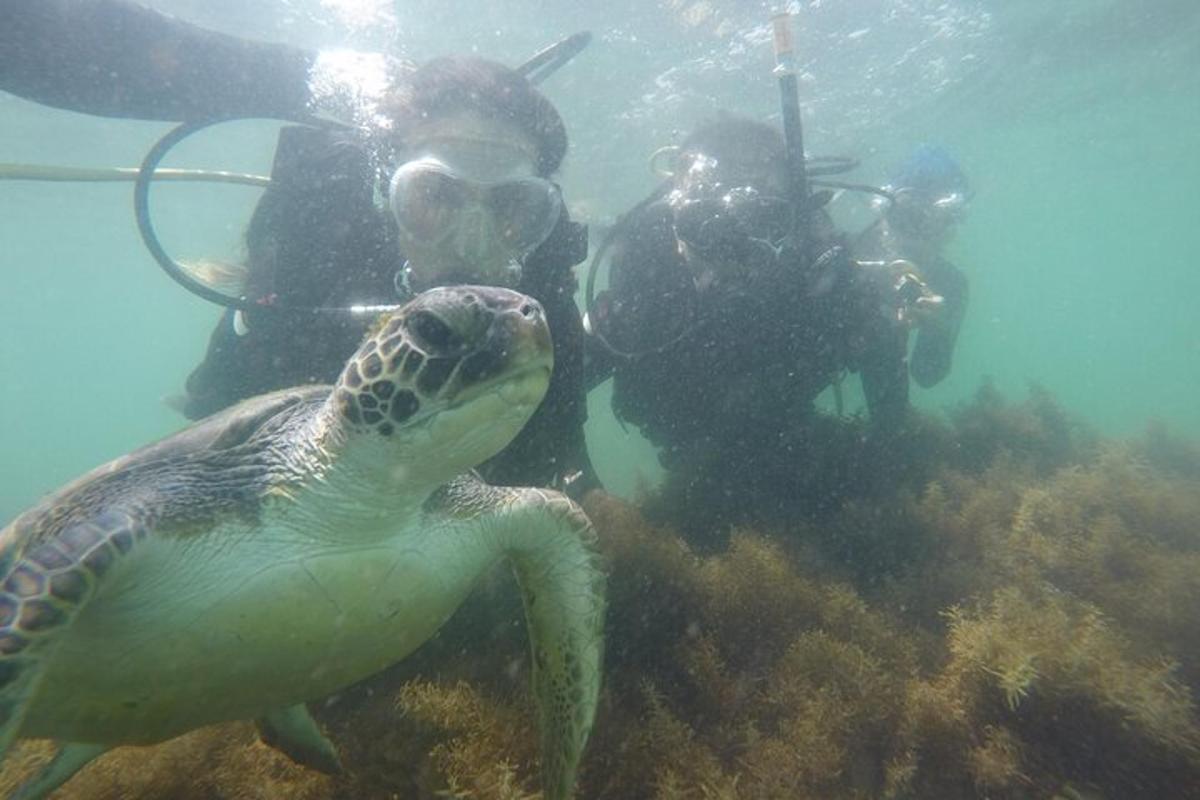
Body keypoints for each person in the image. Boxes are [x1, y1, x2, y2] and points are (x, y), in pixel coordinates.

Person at [0, 0, 599, 495]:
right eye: (432, 196)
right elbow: (220, 417)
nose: (471, 243)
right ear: (382, 190)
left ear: (543, 211)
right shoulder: (318, 263)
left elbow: (560, 454)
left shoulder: (537, 298)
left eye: (513, 208)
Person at [586, 116, 910, 538]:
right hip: (686, 455)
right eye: (709, 229)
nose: (734, 253)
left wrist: (882, 465)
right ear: (678, 217)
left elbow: (879, 342)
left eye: (763, 224)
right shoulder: (650, 275)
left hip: (794, 447)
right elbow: (559, 380)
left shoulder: (815, 271)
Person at [855, 144, 970, 389]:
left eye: (929, 223)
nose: (913, 236)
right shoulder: (848, 255)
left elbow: (927, 375)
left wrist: (937, 331)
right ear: (885, 217)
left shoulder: (951, 284)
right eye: (904, 218)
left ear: (948, 230)